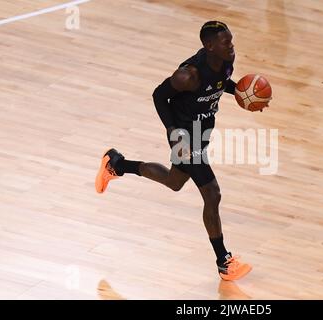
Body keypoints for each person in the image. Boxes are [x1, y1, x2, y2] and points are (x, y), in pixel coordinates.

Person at [95, 21, 258, 281]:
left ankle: (117, 164)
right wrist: (172, 130)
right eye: (226, 42)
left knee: (174, 182)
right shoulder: (188, 75)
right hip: (184, 135)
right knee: (212, 194)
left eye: (231, 40)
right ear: (209, 46)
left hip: (203, 130)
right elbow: (159, 95)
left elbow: (220, 83)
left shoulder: (227, 61)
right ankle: (223, 262)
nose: (232, 45)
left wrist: (242, 93)